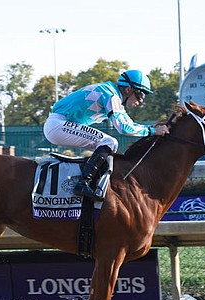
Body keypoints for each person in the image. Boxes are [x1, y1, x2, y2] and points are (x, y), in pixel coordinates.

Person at [43, 69, 169, 201]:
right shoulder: (111, 95)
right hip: (58, 124)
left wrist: (153, 130)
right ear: (128, 89)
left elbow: (129, 123)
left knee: (109, 149)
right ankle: (83, 183)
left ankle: (94, 183)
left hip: (59, 124)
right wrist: (153, 131)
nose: (141, 100)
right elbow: (124, 128)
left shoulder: (112, 94)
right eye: (140, 94)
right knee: (110, 142)